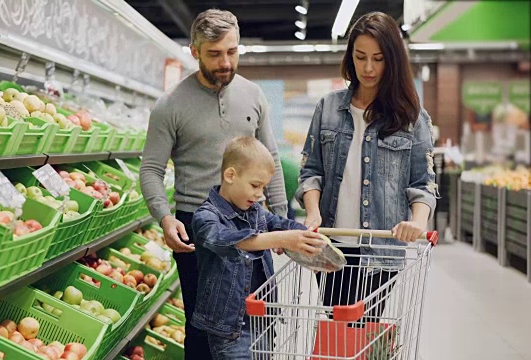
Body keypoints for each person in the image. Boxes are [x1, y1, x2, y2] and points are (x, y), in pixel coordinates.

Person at [139, 9, 288, 358]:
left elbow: (272, 158)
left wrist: (280, 213)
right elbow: (150, 169)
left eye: (232, 52)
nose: (225, 62)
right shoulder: (170, 106)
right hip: (198, 228)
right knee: (203, 327)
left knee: (255, 318)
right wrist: (164, 217)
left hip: (251, 220)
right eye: (215, 53)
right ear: (194, 51)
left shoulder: (254, 96)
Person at [296, 12, 438, 323]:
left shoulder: (412, 118)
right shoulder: (329, 108)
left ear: (393, 61)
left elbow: (423, 182)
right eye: (360, 57)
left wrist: (417, 222)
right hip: (332, 243)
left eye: (378, 58)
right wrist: (312, 212)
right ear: (351, 57)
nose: (369, 68)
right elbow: (310, 172)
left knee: (363, 332)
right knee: (339, 329)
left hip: (382, 248)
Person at [191, 136, 325, 359]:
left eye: (263, 187)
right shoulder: (206, 217)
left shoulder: (255, 212)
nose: (260, 194)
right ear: (230, 175)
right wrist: (279, 239)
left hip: (262, 319)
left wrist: (308, 236)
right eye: (255, 185)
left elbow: (280, 224)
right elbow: (227, 240)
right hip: (229, 327)